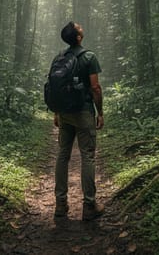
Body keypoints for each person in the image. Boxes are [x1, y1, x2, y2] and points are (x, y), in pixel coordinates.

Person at [53, 21, 105, 221]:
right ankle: (89, 206)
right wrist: (99, 112)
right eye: (78, 27)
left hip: (65, 114)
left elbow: (56, 87)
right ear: (78, 37)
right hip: (83, 113)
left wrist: (56, 113)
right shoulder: (89, 57)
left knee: (62, 155)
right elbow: (96, 88)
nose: (81, 26)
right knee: (88, 156)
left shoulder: (60, 57)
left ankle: (60, 204)